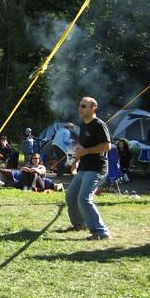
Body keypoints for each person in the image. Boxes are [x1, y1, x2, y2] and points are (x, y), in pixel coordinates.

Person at [64, 97, 111, 240]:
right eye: (80, 106)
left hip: (97, 168)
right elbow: (81, 147)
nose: (80, 108)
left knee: (83, 198)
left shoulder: (99, 125)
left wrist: (87, 151)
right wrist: (75, 160)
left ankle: (101, 232)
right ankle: (80, 224)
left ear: (93, 108)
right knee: (71, 196)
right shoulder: (83, 125)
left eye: (84, 106)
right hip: (84, 167)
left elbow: (107, 146)